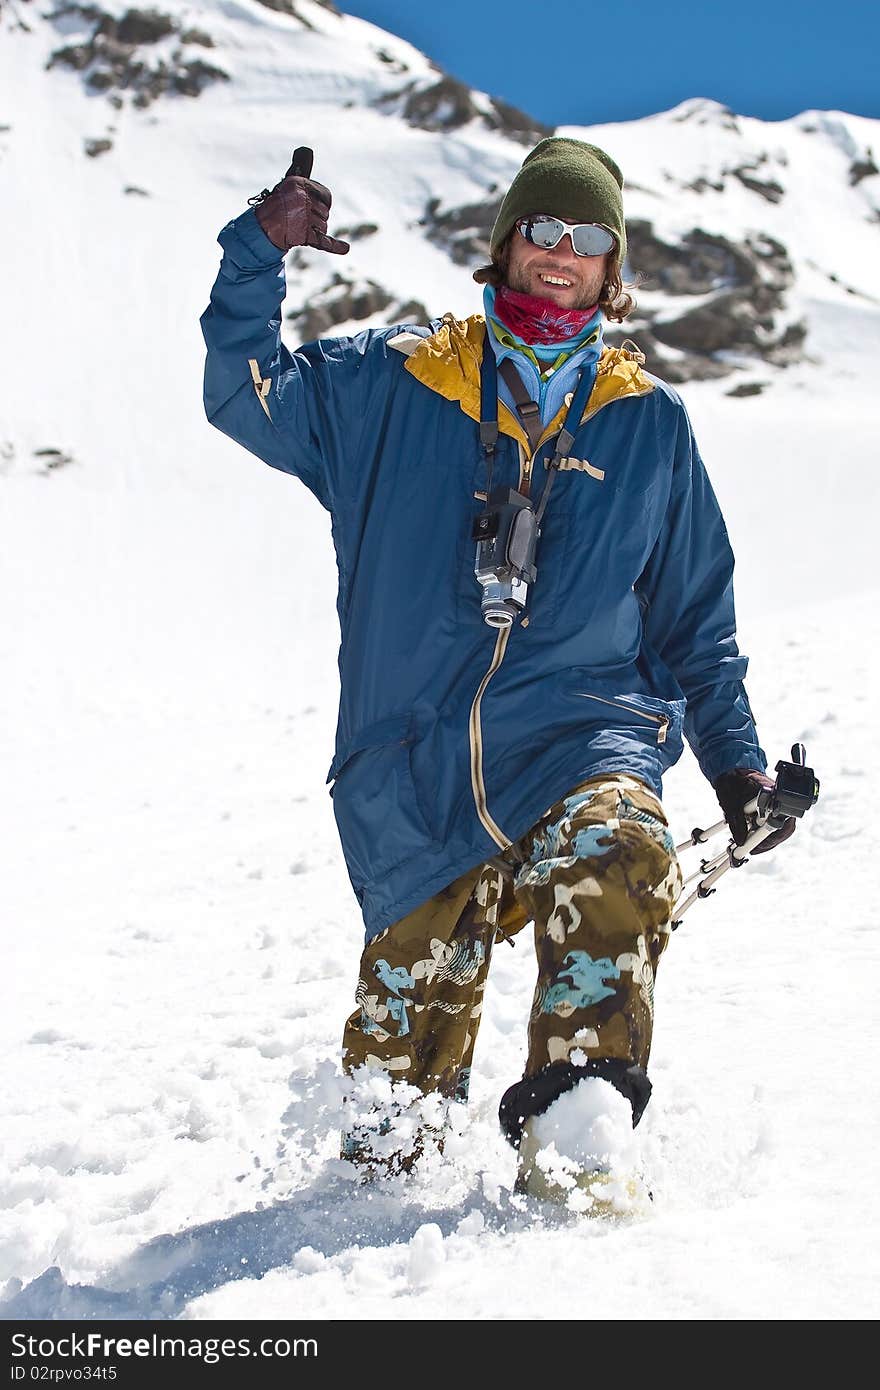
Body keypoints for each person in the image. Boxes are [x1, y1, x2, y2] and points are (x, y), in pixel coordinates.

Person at [201, 137, 793, 1205]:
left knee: (619, 847)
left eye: (587, 238)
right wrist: (257, 253)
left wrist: (739, 770)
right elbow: (246, 396)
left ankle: (578, 1146)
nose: (559, 254)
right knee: (389, 1135)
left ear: (612, 270)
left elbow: (694, 623)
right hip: (417, 772)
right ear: (505, 242)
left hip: (582, 741)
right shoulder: (394, 380)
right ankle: (368, 1220)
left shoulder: (648, 424)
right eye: (542, 229)